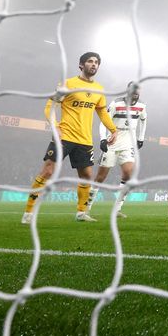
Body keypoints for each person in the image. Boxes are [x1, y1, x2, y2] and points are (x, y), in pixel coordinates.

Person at [22, 52, 119, 223]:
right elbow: (49, 106)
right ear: (81, 65)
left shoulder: (99, 89)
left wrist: (113, 130)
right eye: (90, 61)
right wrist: (55, 127)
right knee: (47, 171)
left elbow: (102, 111)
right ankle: (28, 213)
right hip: (64, 136)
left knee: (87, 176)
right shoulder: (67, 84)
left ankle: (81, 213)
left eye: (96, 62)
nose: (94, 64)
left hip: (85, 140)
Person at [94, 86, 148, 219]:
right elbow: (103, 121)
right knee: (100, 177)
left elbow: (143, 121)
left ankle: (117, 209)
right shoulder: (116, 103)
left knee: (129, 174)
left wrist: (140, 138)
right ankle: (86, 208)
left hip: (128, 143)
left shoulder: (142, 105)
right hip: (112, 141)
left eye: (138, 90)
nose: (136, 92)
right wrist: (102, 139)